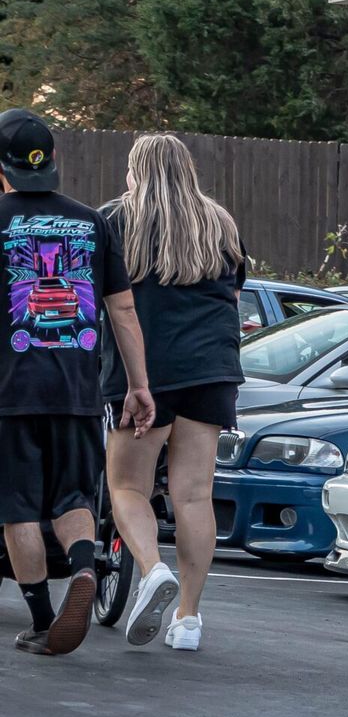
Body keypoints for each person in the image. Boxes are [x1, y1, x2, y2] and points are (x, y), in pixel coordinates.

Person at [0, 107, 155, 656]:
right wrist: (139, 386)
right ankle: (85, 569)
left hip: (10, 395)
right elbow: (124, 310)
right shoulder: (94, 223)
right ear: (54, 160)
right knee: (73, 495)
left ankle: (44, 621)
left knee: (17, 508)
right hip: (78, 390)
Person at [101, 133, 248, 652]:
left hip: (147, 370)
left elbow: (106, 300)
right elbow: (231, 294)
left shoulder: (116, 221)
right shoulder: (219, 223)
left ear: (135, 170)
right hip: (212, 370)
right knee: (193, 495)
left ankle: (151, 568)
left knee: (128, 488)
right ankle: (188, 617)